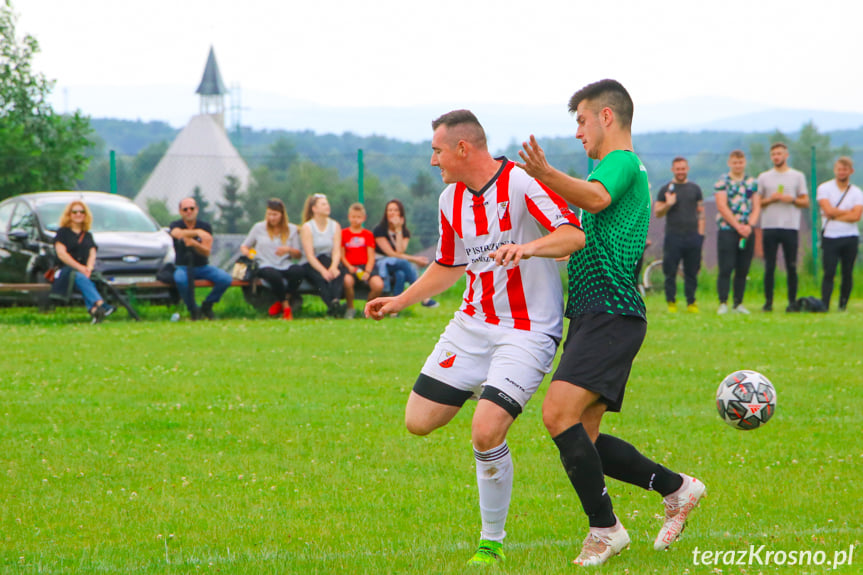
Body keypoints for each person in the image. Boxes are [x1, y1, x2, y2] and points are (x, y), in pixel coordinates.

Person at [365, 110, 584, 566]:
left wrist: (527, 248)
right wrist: (400, 300)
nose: (433, 160)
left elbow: (571, 235)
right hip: (471, 325)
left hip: (527, 330)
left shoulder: (522, 183)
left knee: (485, 431)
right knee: (418, 420)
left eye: (437, 150)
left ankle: (491, 541)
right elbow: (450, 263)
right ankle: (493, 388)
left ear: (463, 148)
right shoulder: (450, 198)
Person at [515, 79, 705, 566]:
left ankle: (605, 530)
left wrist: (545, 173)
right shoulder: (608, 168)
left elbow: (596, 200)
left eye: (581, 120)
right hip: (597, 313)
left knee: (557, 415)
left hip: (611, 311)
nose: (578, 131)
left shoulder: (619, 162)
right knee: (586, 436)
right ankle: (676, 488)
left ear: (606, 116)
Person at [756, 142, 809, 312]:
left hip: (790, 226)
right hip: (769, 226)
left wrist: (791, 200)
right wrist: (771, 199)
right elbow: (758, 203)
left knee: (791, 265)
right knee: (769, 266)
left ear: (786, 155)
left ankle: (792, 302)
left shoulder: (797, 176)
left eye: (779, 154)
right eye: (773, 154)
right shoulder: (764, 177)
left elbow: (805, 201)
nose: (776, 157)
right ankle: (768, 302)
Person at [654, 156, 704, 312]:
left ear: (687, 169)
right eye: (678, 169)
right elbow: (657, 213)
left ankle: (691, 302)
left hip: (692, 236)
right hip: (673, 236)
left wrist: (700, 236)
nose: (680, 171)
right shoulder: (666, 190)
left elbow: (701, 214)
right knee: (670, 271)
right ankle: (671, 302)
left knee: (692, 271)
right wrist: (668, 204)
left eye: (683, 168)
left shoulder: (695, 189)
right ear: (672, 170)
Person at [240, 198, 305, 320]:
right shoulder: (258, 228)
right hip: (265, 264)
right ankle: (286, 308)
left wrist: (288, 250)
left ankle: (282, 301)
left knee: (298, 272)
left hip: (284, 263)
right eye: (269, 214)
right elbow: (245, 246)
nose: (272, 218)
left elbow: (298, 254)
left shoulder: (291, 229)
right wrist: (249, 254)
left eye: (275, 215)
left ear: (282, 215)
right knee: (274, 276)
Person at [170, 198, 233, 320]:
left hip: (202, 267)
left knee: (225, 279)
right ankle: (193, 308)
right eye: (185, 209)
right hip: (182, 266)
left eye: (192, 208)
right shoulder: (176, 224)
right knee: (180, 280)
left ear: (197, 210)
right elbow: (176, 233)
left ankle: (208, 305)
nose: (189, 211)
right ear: (180, 211)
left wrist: (194, 244)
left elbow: (206, 251)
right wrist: (197, 233)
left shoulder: (205, 226)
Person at [53, 200, 115, 323]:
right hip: (66, 271)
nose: (78, 214)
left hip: (84, 271)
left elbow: (92, 253)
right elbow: (62, 254)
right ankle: (101, 304)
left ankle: (94, 311)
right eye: (74, 212)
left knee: (86, 280)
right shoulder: (62, 233)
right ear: (69, 215)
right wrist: (80, 268)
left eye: (82, 212)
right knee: (79, 276)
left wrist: (89, 268)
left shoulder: (88, 235)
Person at [715, 150, 761, 315]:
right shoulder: (723, 182)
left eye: (740, 162)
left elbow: (756, 206)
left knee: (743, 268)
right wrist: (737, 226)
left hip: (747, 231)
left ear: (744, 163)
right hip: (728, 229)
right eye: (735, 162)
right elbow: (722, 205)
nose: (738, 165)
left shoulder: (751, 182)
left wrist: (749, 225)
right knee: (726, 267)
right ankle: (723, 302)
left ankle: (738, 303)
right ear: (729, 163)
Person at [373, 199, 438, 309]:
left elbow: (399, 251)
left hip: (395, 264)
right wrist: (415, 259)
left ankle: (394, 310)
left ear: (401, 213)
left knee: (400, 274)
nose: (392, 213)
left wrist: (398, 229)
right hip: (380, 263)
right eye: (389, 210)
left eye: (395, 210)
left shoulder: (404, 232)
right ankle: (424, 297)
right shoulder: (379, 230)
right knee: (404, 264)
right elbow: (391, 254)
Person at [817, 157, 863, 311]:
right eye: (839, 169)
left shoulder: (857, 192)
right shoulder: (824, 188)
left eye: (845, 169)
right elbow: (827, 210)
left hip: (850, 236)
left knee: (847, 272)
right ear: (834, 170)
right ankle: (825, 304)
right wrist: (847, 213)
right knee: (829, 272)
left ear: (851, 171)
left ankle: (843, 305)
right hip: (830, 236)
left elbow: (856, 216)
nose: (841, 172)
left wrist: (835, 214)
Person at [299, 193, 344, 317]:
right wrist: (324, 271)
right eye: (323, 204)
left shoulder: (335, 226)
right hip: (310, 264)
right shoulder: (307, 227)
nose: (327, 207)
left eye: (327, 204)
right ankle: (333, 307)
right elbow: (309, 255)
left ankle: (335, 302)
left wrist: (333, 267)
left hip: (327, 260)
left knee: (339, 273)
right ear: (314, 209)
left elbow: (336, 250)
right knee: (320, 278)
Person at [341, 202, 384, 319]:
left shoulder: (368, 235)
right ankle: (350, 308)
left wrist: (368, 272)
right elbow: (341, 255)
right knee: (347, 281)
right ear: (349, 217)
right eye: (353, 217)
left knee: (378, 285)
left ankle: (367, 309)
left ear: (364, 218)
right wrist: (349, 267)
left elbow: (371, 256)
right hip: (349, 267)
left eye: (358, 217)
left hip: (365, 266)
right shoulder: (343, 233)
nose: (356, 220)